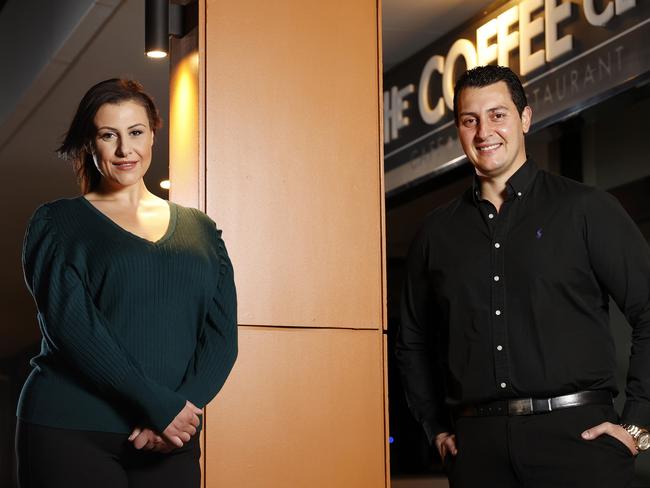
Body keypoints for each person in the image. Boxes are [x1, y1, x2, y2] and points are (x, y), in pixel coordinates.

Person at [395, 65, 650, 487]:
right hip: (478, 454)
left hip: (580, 445)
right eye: (469, 120)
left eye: (498, 115)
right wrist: (434, 428)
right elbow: (412, 341)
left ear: (525, 119)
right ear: (458, 130)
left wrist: (637, 425)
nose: (484, 132)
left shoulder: (585, 209)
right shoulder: (436, 233)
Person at [15, 78, 238, 487]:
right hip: (72, 429)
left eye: (135, 132)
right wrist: (159, 406)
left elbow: (222, 338)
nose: (124, 149)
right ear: (90, 141)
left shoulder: (202, 230)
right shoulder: (57, 223)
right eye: (107, 135)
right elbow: (75, 330)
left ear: (153, 133)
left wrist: (179, 413)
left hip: (170, 438)